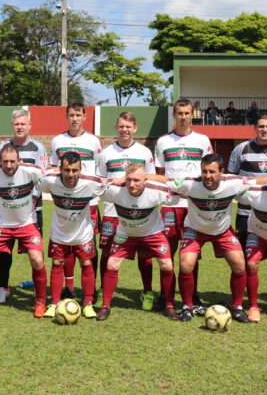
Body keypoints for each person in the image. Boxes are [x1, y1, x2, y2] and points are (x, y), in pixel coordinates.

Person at [148, 153, 266, 323]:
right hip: (195, 230)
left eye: (212, 172)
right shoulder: (189, 184)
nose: (207, 176)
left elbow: (259, 180)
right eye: (204, 171)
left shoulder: (233, 182)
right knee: (186, 264)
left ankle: (237, 307)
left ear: (222, 172)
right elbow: (163, 180)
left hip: (222, 231)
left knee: (239, 263)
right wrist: (142, 176)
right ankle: (188, 307)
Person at [0, 144, 47, 318]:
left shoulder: (31, 171)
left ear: (19, 160)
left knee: (37, 259)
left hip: (27, 223)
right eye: (5, 161)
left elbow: (50, 179)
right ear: (0, 161)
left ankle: (41, 302)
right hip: (1, 225)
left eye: (13, 161)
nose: (9, 165)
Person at [96, 163, 176, 321]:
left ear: (145, 180)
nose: (132, 184)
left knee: (167, 265)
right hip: (126, 234)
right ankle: (105, 306)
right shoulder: (115, 190)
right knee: (112, 264)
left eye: (137, 180)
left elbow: (181, 188)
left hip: (153, 233)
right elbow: (95, 184)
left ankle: (169, 305)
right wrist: (114, 180)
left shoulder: (157, 191)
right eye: (129, 179)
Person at [154, 98, 213, 313]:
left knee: (191, 253)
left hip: (193, 204)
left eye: (187, 113)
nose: (184, 117)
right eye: (180, 113)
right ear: (174, 115)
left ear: (192, 115)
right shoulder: (162, 142)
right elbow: (160, 175)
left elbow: (210, 171)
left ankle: (192, 295)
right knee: (166, 253)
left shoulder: (202, 140)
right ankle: (165, 296)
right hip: (170, 204)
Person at [97, 111, 156, 310]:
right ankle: (103, 290)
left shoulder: (144, 153)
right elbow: (101, 183)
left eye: (128, 127)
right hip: (112, 211)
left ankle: (147, 291)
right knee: (107, 253)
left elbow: (152, 180)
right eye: (121, 126)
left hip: (139, 212)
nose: (124, 130)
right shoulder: (106, 153)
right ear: (116, 128)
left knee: (144, 253)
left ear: (135, 129)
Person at [36, 151, 107, 319]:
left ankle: (88, 303)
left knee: (86, 263)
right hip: (60, 232)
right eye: (67, 170)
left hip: (82, 233)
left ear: (80, 169)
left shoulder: (91, 183)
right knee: (58, 262)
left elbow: (113, 183)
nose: (71, 174)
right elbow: (36, 180)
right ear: (60, 169)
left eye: (75, 170)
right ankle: (54, 303)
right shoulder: (50, 181)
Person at [0, 108, 47, 304]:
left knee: (35, 251)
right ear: (12, 125)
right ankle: (3, 287)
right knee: (4, 251)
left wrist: (31, 199)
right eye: (17, 124)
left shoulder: (38, 147)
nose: (20, 127)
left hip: (32, 208)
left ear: (29, 125)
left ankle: (37, 288)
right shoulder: (2, 148)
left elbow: (42, 176)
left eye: (23, 123)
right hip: (6, 210)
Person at [228, 114, 267, 309]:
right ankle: (241, 300)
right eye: (261, 126)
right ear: (254, 128)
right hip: (245, 213)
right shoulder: (241, 148)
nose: (264, 129)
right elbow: (231, 178)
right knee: (242, 260)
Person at [50, 102, 102, 298]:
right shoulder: (57, 141)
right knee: (67, 244)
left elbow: (98, 171)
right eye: (71, 115)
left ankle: (92, 288)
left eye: (78, 114)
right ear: (67, 116)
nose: (75, 118)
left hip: (89, 201)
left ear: (84, 117)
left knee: (89, 244)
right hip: (67, 200)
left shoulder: (94, 141)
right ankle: (69, 287)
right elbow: (55, 170)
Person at [237, 165, 267, 322]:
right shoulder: (254, 192)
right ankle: (254, 306)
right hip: (257, 234)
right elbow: (233, 187)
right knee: (251, 265)